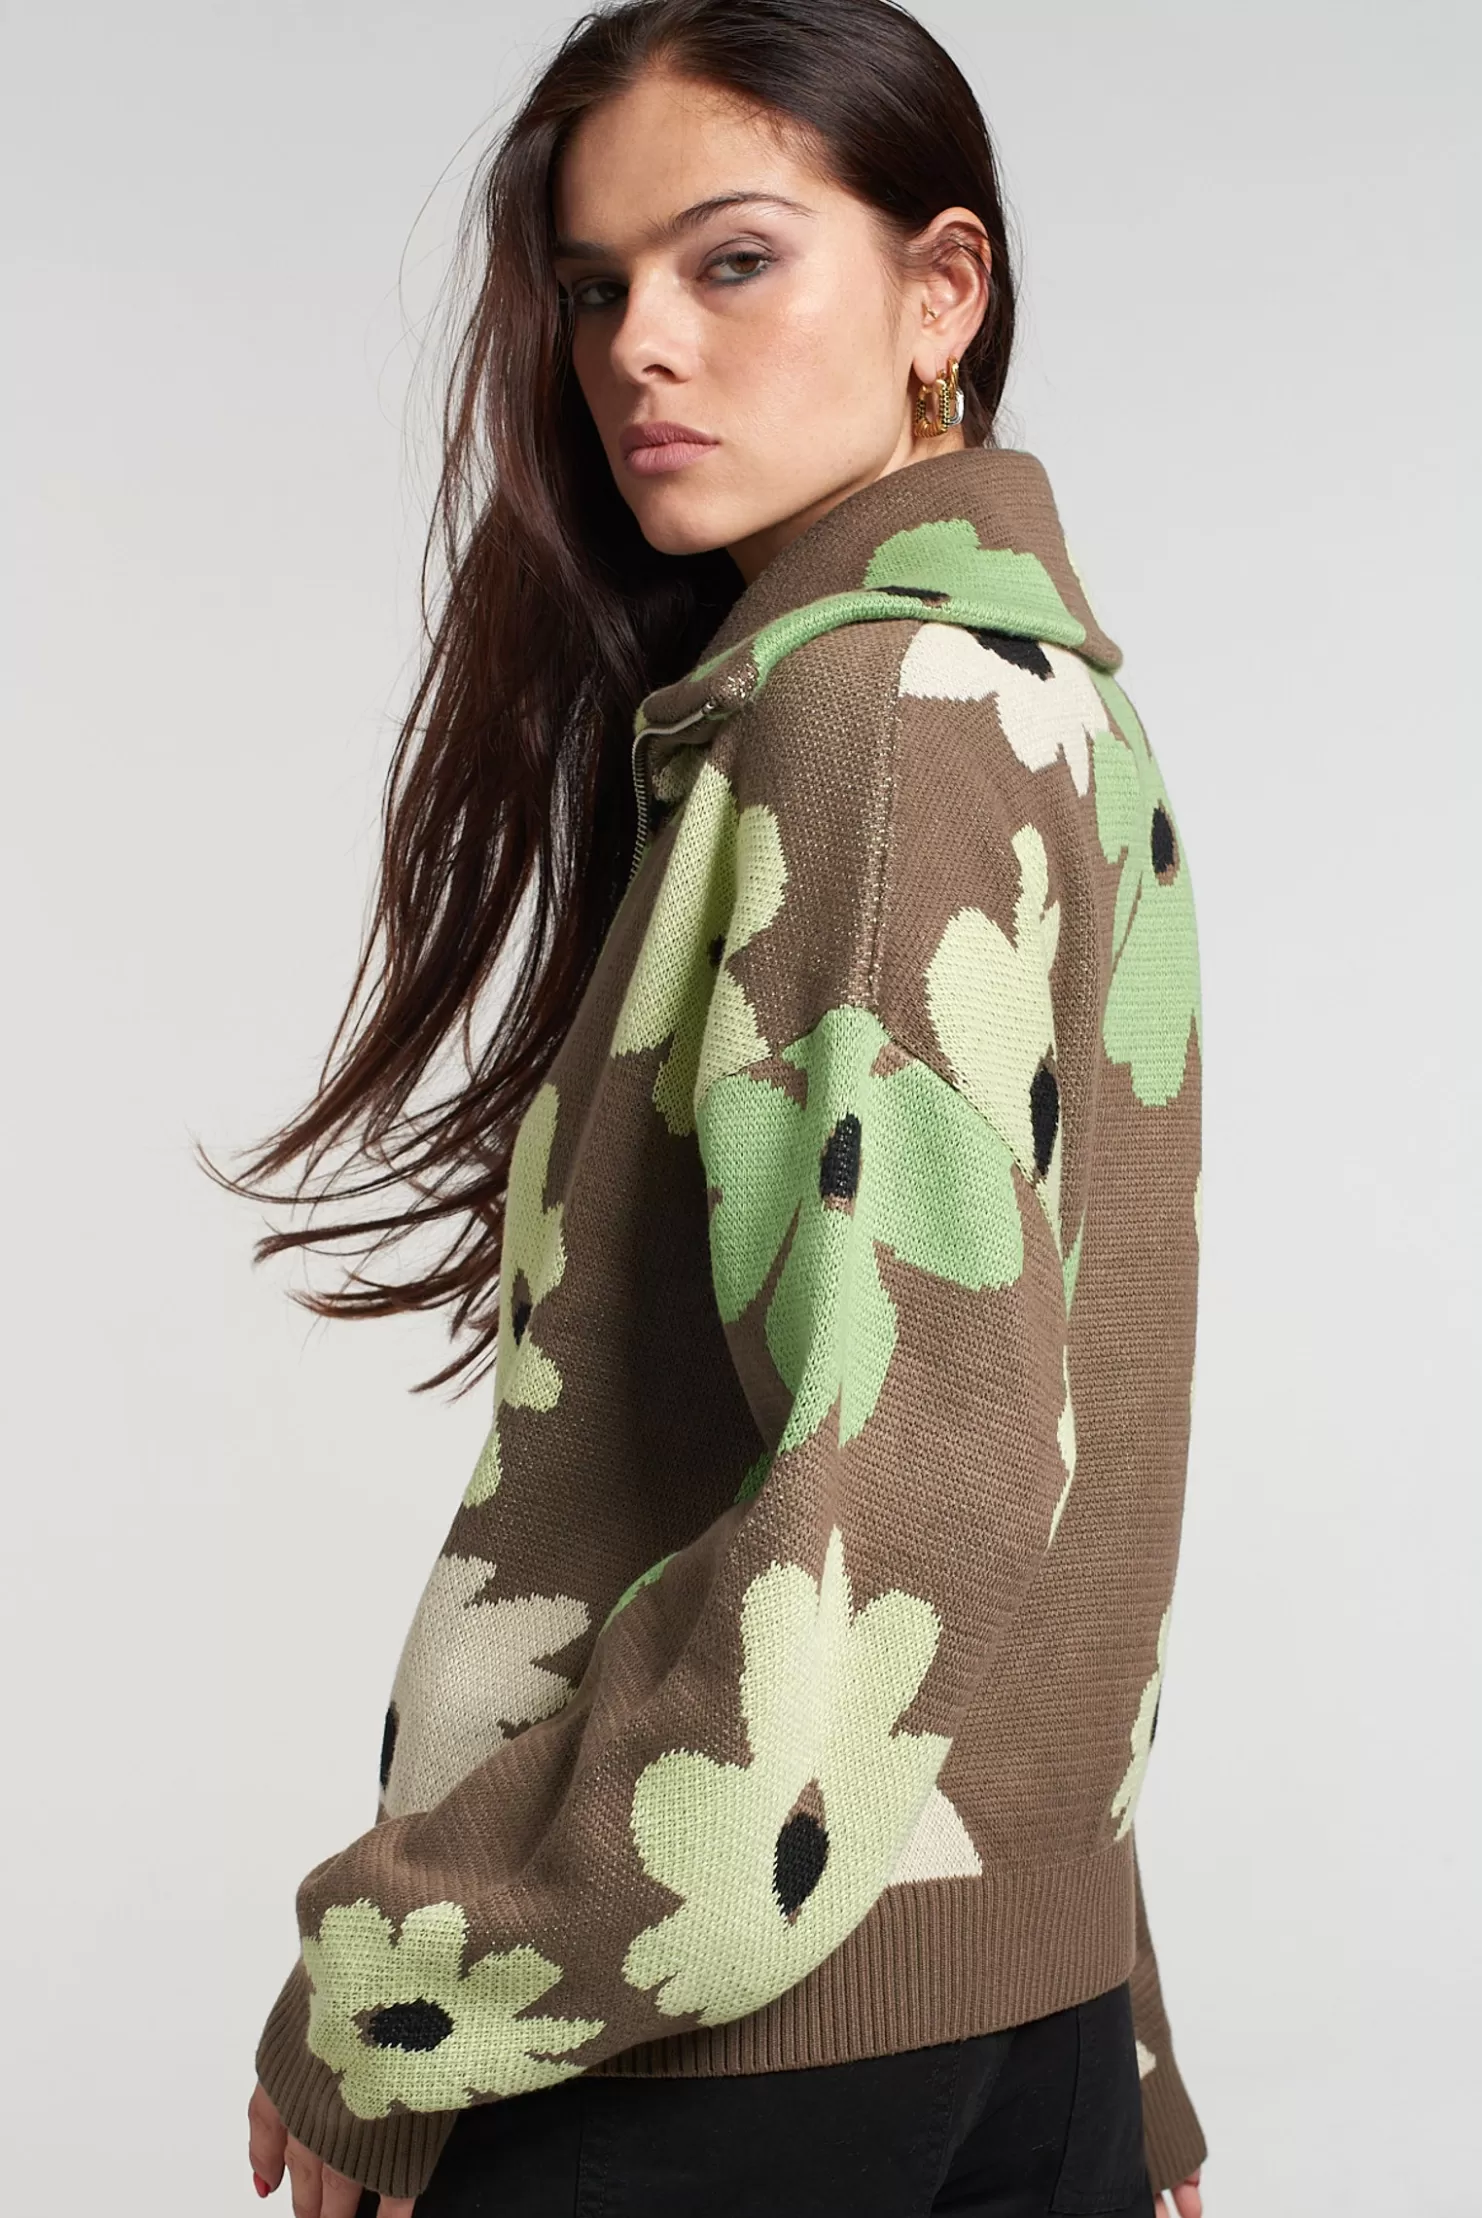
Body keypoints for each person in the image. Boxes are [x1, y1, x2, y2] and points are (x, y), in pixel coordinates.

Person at [219, 1, 1209, 2211]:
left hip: (726, 2032)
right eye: (596, 290)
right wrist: (1114, 2040)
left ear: (943, 294)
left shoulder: (872, 716)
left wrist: (407, 1984)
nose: (639, 348)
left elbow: (914, 1482)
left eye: (732, 260)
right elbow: (1033, 1443)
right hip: (996, 2013)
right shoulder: (1043, 704)